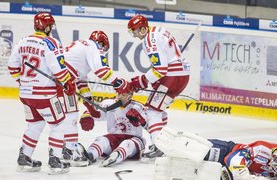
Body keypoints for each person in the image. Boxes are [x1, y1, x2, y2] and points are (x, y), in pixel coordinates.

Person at [7, 12, 75, 174]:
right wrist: (68, 83)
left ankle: (24, 158)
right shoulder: (51, 42)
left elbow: (12, 67)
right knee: (59, 124)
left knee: (35, 124)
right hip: (45, 95)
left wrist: (23, 82)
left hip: (25, 94)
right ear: (48, 27)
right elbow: (58, 69)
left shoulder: (22, 42)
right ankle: (55, 161)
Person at [126, 14, 190, 159]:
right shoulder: (157, 30)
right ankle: (161, 141)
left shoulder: (149, 40)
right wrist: (154, 79)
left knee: (152, 112)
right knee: (158, 110)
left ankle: (159, 146)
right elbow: (164, 62)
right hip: (181, 74)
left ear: (142, 29)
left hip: (173, 76)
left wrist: (141, 81)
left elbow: (160, 69)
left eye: (135, 31)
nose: (135, 35)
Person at [61, 30, 127, 166]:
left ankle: (64, 147)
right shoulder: (93, 46)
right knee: (71, 116)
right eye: (104, 48)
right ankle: (71, 149)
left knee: (63, 117)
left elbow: (81, 83)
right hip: (65, 80)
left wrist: (89, 105)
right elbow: (101, 70)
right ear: (101, 43)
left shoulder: (82, 47)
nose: (103, 51)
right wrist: (119, 84)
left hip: (62, 78)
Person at [155, 127, 277, 180]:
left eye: (276, 168)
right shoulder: (262, 150)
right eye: (273, 163)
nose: (272, 167)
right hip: (226, 152)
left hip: (232, 173)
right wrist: (245, 176)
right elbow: (231, 159)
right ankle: (169, 147)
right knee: (197, 151)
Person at [78, 91, 146, 167]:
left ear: (130, 95)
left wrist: (140, 119)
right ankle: (89, 155)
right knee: (101, 140)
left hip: (134, 140)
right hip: (114, 139)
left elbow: (149, 124)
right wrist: (87, 116)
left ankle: (116, 155)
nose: (119, 96)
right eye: (118, 93)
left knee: (127, 143)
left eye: (123, 94)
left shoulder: (138, 107)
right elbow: (95, 113)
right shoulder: (109, 104)